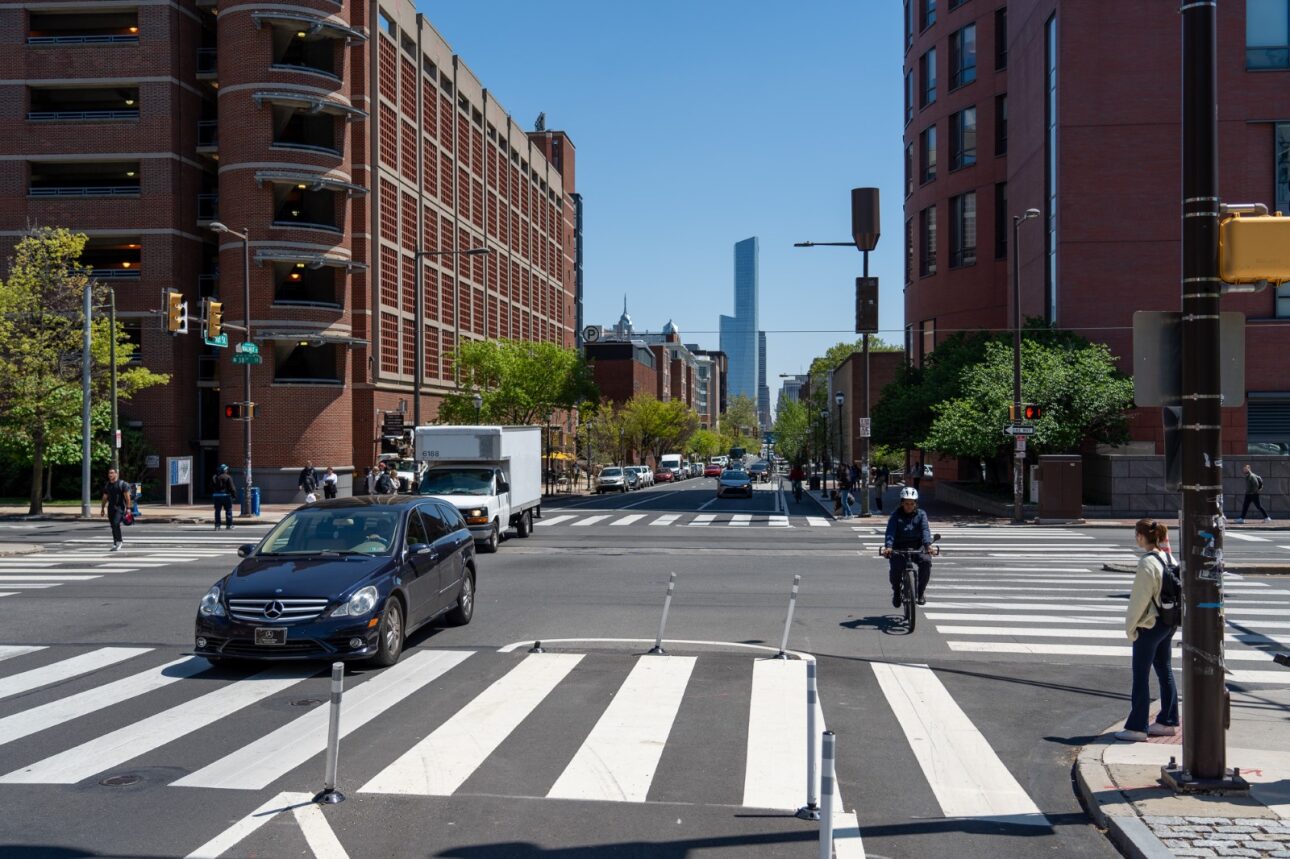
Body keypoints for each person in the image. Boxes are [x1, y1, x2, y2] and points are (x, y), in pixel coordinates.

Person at [1116, 518, 1180, 742]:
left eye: (1136, 534)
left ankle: (1137, 727)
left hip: (1150, 624)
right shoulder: (1168, 557)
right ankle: (1168, 721)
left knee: (1140, 675)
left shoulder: (1147, 563)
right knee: (1165, 670)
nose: (1136, 537)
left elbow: (1139, 601)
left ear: (1142, 536)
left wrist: (1131, 628)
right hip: (1168, 621)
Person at [881, 487, 935, 607]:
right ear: (902, 503)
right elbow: (890, 532)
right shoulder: (895, 515)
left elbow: (925, 530)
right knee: (895, 569)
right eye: (906, 503)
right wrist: (888, 547)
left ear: (916, 503)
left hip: (917, 546)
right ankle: (896, 592)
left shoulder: (921, 514)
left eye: (912, 503)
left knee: (926, 561)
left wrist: (927, 545)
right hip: (899, 546)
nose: (909, 506)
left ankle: (920, 592)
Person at [99, 467, 132, 551]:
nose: (110, 474)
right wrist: (102, 508)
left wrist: (128, 508)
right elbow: (105, 497)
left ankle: (120, 541)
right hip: (110, 507)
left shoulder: (122, 484)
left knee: (116, 523)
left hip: (120, 507)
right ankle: (114, 543)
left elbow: (127, 497)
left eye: (112, 473)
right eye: (109, 473)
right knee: (113, 526)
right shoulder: (108, 485)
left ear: (116, 474)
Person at [210, 464, 237, 530]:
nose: (227, 470)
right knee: (228, 510)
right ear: (224, 470)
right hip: (226, 496)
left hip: (217, 496)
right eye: (226, 469)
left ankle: (217, 525)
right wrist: (234, 496)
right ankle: (229, 525)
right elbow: (232, 488)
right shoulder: (228, 477)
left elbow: (211, 486)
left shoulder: (215, 477)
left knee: (217, 511)